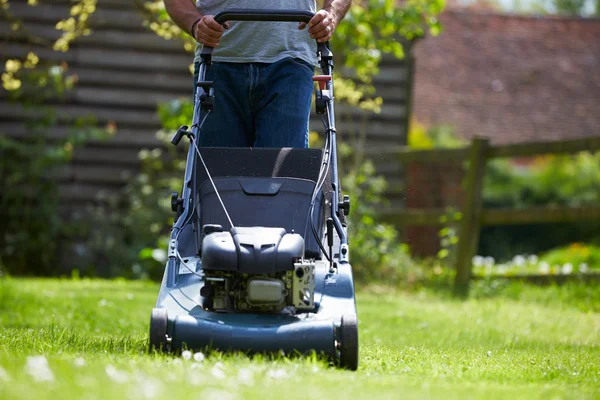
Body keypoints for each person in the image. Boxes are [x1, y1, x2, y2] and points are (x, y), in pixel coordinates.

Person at [163, 0, 351, 148]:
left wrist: (331, 16)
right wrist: (196, 24)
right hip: (218, 63)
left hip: (291, 63)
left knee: (284, 179)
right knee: (217, 177)